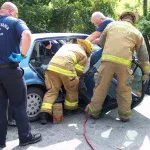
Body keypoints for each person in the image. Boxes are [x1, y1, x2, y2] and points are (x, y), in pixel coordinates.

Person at [85, 10, 150, 122]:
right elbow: (143, 57)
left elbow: (101, 43)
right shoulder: (137, 32)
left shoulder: (111, 25)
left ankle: (94, 112)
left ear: (121, 17)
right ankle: (124, 116)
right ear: (133, 20)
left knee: (100, 87)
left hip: (107, 62)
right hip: (124, 65)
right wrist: (146, 72)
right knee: (124, 90)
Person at [0, 2, 41, 148]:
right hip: (10, 70)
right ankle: (25, 137)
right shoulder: (14, 22)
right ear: (11, 12)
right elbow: (26, 35)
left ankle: (0, 141)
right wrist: (22, 55)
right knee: (19, 105)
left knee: (1, 108)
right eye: (16, 13)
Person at [40, 39, 93, 125]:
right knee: (72, 89)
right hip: (66, 70)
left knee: (52, 91)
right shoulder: (83, 55)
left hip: (51, 68)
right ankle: (70, 109)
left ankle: (44, 114)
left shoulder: (67, 46)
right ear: (87, 50)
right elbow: (78, 71)